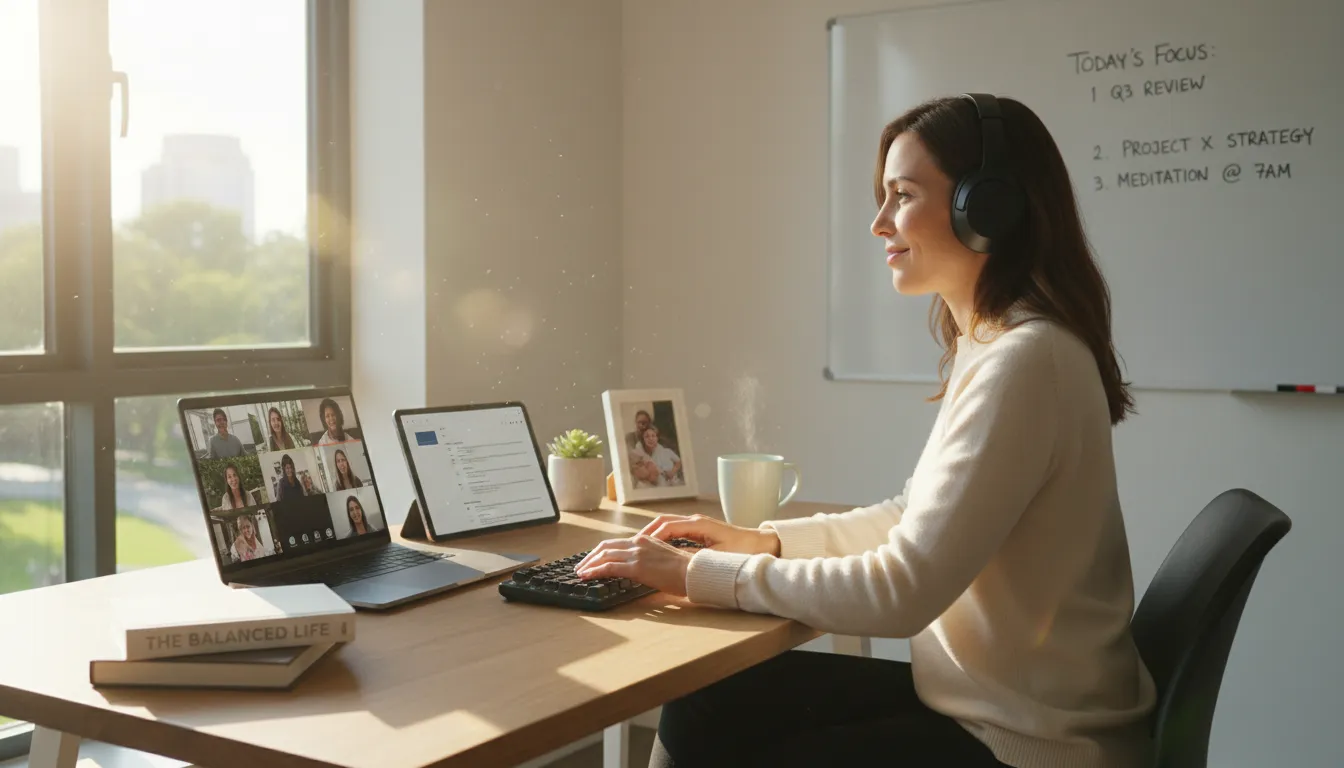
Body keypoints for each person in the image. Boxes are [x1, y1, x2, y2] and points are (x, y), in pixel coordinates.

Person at [575, 94, 1157, 768]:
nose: (880, 223)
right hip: (984, 707)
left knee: (715, 728)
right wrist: (765, 540)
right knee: (706, 702)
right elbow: (912, 519)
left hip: (1028, 744)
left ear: (987, 208)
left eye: (902, 196)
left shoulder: (1028, 361)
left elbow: (901, 591)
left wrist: (697, 573)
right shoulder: (998, 345)